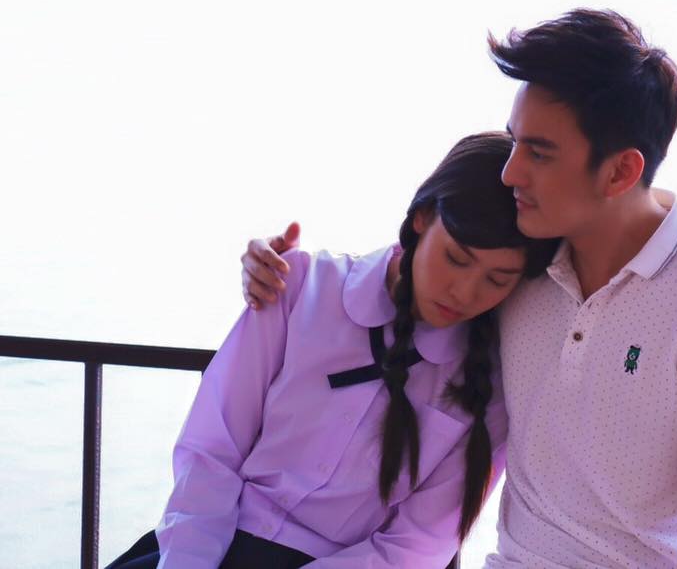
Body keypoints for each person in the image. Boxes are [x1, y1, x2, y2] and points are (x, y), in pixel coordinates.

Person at [242, 9, 677, 568]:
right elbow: (411, 271)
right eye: (514, 143)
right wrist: (278, 271)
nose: (510, 173)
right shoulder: (520, 265)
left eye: (538, 153)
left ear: (619, 172)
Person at [106, 133, 559, 569]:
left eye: (497, 280)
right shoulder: (299, 286)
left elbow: (417, 547)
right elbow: (211, 450)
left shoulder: (489, 386)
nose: (464, 292)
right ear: (422, 218)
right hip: (208, 542)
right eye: (456, 259)